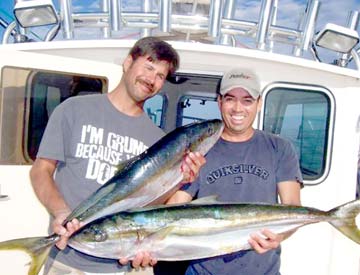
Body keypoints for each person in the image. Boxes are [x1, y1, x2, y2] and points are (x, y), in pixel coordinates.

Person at [29, 36, 205, 275]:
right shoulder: (74, 110)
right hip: (66, 260)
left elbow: (147, 204)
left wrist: (181, 180)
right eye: (149, 66)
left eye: (160, 75)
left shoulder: (157, 140)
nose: (151, 79)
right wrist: (61, 212)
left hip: (122, 266)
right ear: (127, 62)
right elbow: (41, 169)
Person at [160, 67, 302, 275]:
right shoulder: (201, 148)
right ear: (219, 102)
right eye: (230, 99)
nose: (238, 108)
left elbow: (292, 206)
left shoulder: (279, 148)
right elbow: (176, 205)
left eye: (247, 100)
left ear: (259, 103)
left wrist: (279, 236)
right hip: (203, 270)